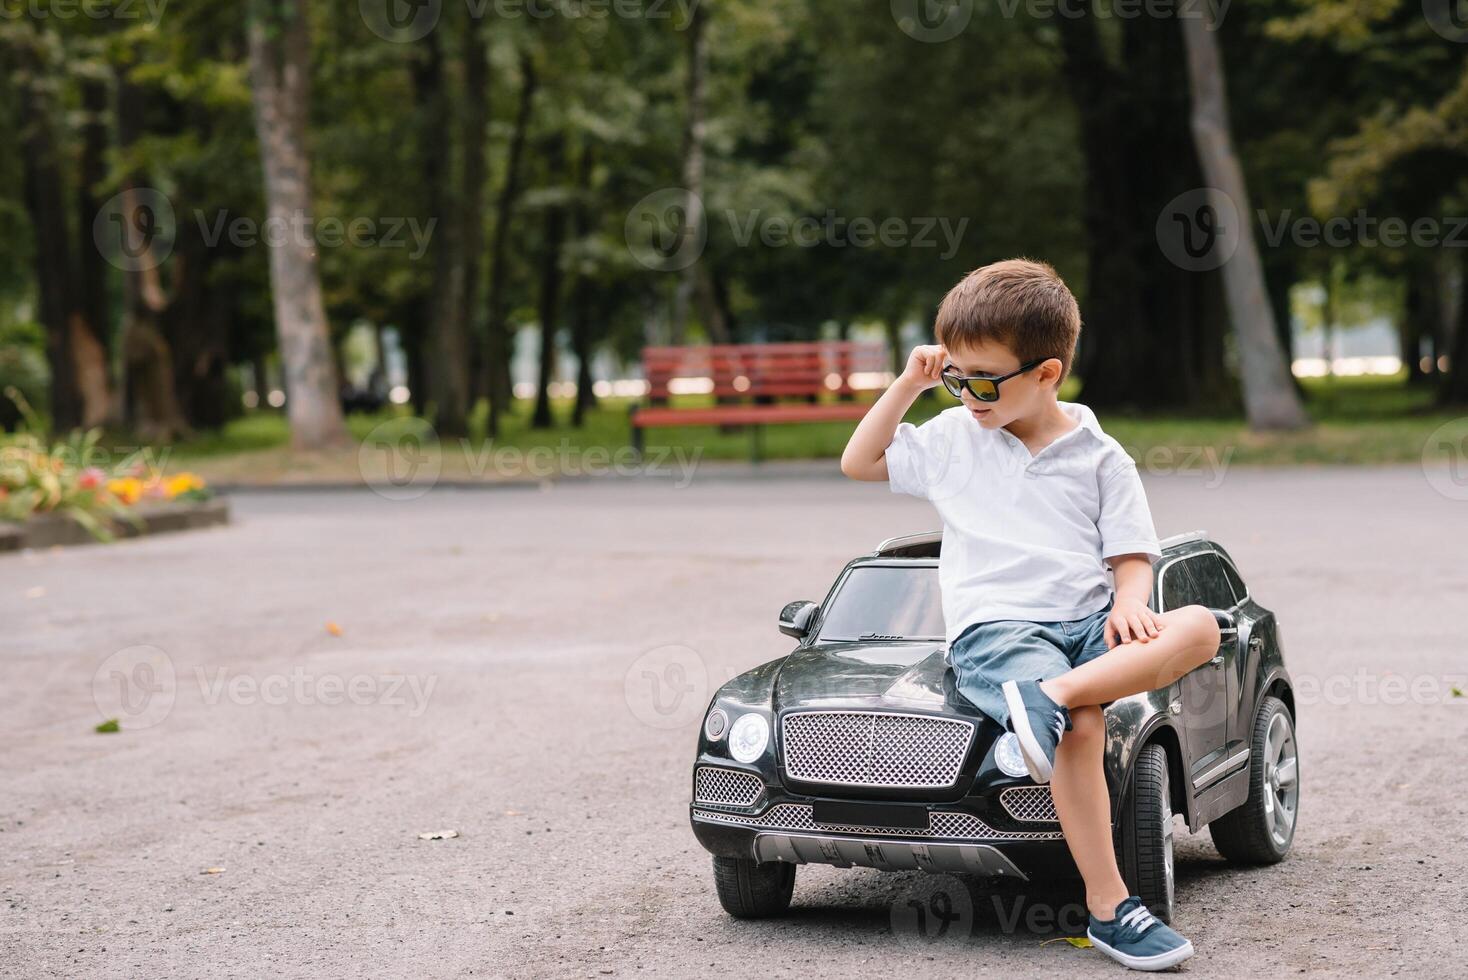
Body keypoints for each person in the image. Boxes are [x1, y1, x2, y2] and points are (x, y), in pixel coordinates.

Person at [840, 258, 1220, 972]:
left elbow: (1131, 555)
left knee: (1200, 626)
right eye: (956, 376)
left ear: (1047, 373)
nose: (968, 394)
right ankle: (1111, 909)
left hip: (1085, 623)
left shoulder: (1102, 457)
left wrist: (1132, 604)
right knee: (1083, 728)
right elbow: (860, 461)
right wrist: (911, 385)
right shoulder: (954, 438)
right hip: (999, 629)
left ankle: (1051, 695)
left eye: (984, 380)